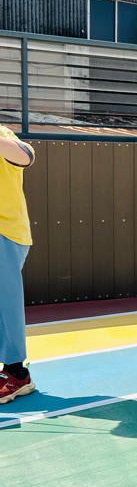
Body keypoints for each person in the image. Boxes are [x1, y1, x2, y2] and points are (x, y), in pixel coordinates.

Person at [0, 126, 35, 404]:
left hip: (5, 232)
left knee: (5, 304)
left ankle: (16, 373)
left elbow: (25, 156)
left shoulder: (5, 135)